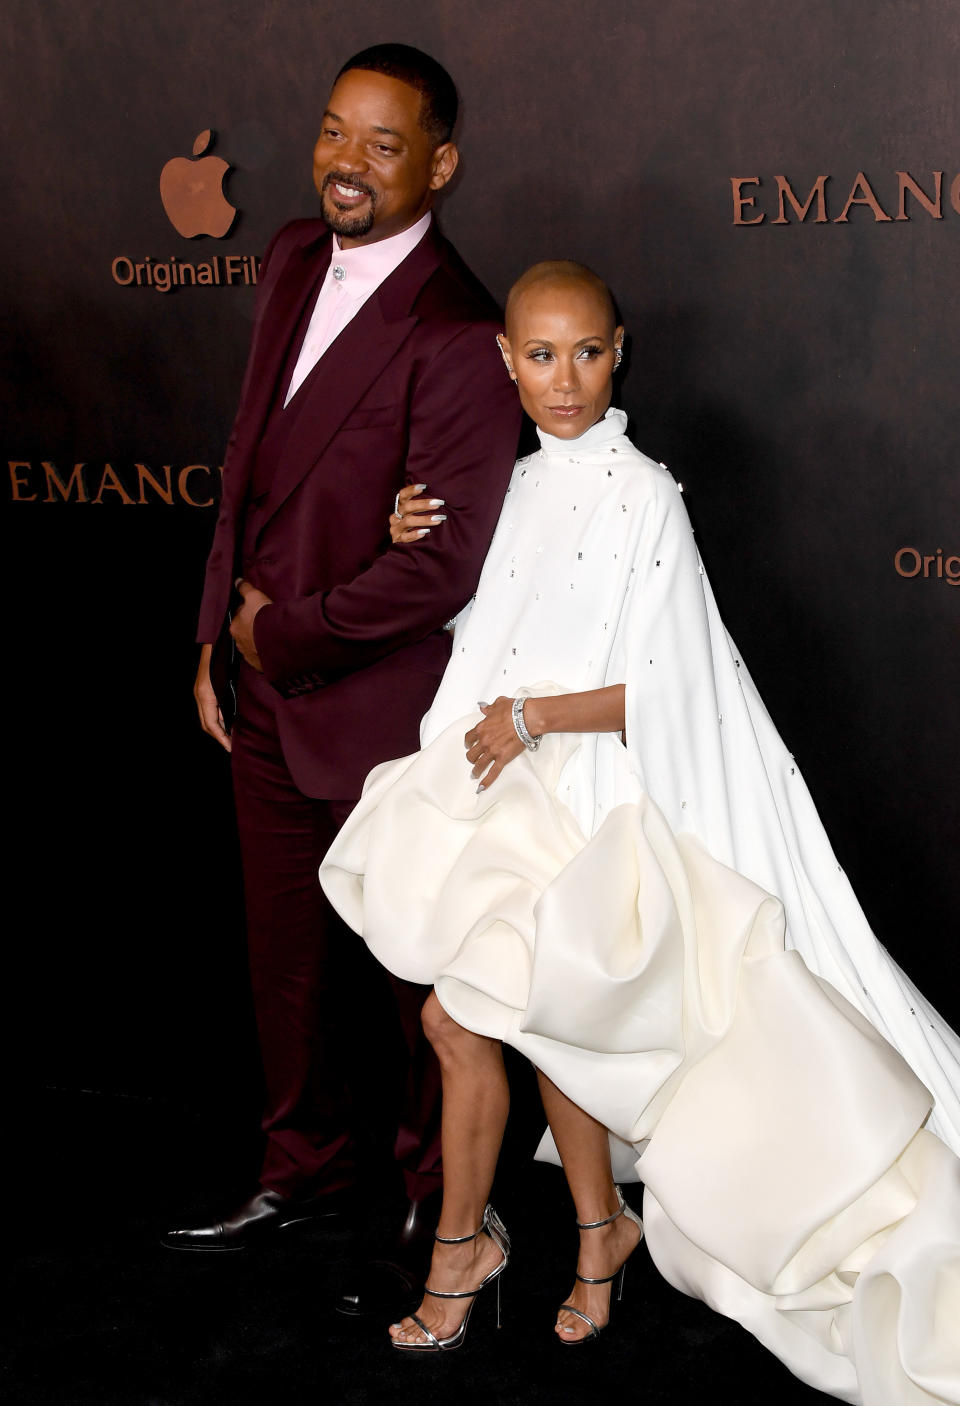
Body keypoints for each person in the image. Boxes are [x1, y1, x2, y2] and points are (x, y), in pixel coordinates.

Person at [320, 262, 960, 1397]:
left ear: (622, 350)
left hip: (603, 812)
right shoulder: (511, 488)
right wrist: (415, 531)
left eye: (589, 353)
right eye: (542, 356)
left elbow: (677, 686)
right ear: (507, 363)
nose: (566, 381)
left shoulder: (646, 493)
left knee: (498, 1021)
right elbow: (491, 622)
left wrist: (533, 717)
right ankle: (589, 1231)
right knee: (517, 1028)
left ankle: (478, 1257)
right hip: (510, 807)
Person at [165, 43, 521, 1317]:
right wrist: (217, 637)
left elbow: (450, 566)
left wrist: (285, 635)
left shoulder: (460, 329)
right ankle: (302, 1168)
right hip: (257, 694)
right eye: (334, 132)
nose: (347, 163)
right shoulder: (283, 258)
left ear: (441, 164)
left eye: (383, 144)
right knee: (285, 964)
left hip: (379, 705)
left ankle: (439, 1196)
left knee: (416, 975)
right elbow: (247, 456)